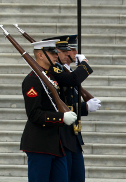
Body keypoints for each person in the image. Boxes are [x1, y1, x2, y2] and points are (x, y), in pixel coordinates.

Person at [44, 36, 100, 182]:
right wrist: (84, 107)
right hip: (62, 134)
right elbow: (60, 105)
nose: (72, 53)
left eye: (72, 50)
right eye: (67, 51)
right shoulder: (54, 70)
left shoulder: (66, 71)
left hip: (73, 133)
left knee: (77, 177)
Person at [20, 40, 79, 182]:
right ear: (40, 55)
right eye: (52, 53)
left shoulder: (50, 77)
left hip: (57, 144)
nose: (56, 56)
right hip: (40, 144)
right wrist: (61, 118)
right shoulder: (32, 80)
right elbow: (34, 114)